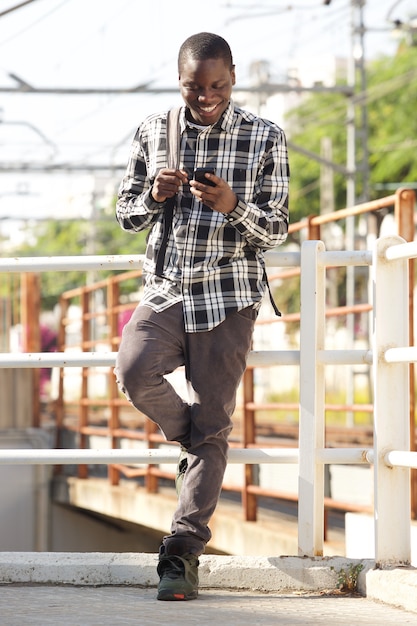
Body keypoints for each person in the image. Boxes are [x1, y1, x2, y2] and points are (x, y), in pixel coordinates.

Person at [114, 32, 289, 601]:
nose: (205, 97)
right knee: (135, 370)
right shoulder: (153, 131)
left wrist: (232, 206)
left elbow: (278, 228)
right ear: (180, 80)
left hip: (228, 296)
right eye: (194, 87)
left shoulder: (265, 138)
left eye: (216, 85)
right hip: (166, 291)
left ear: (233, 76)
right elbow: (126, 215)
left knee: (216, 421)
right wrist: (154, 198)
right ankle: (194, 437)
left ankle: (181, 553)